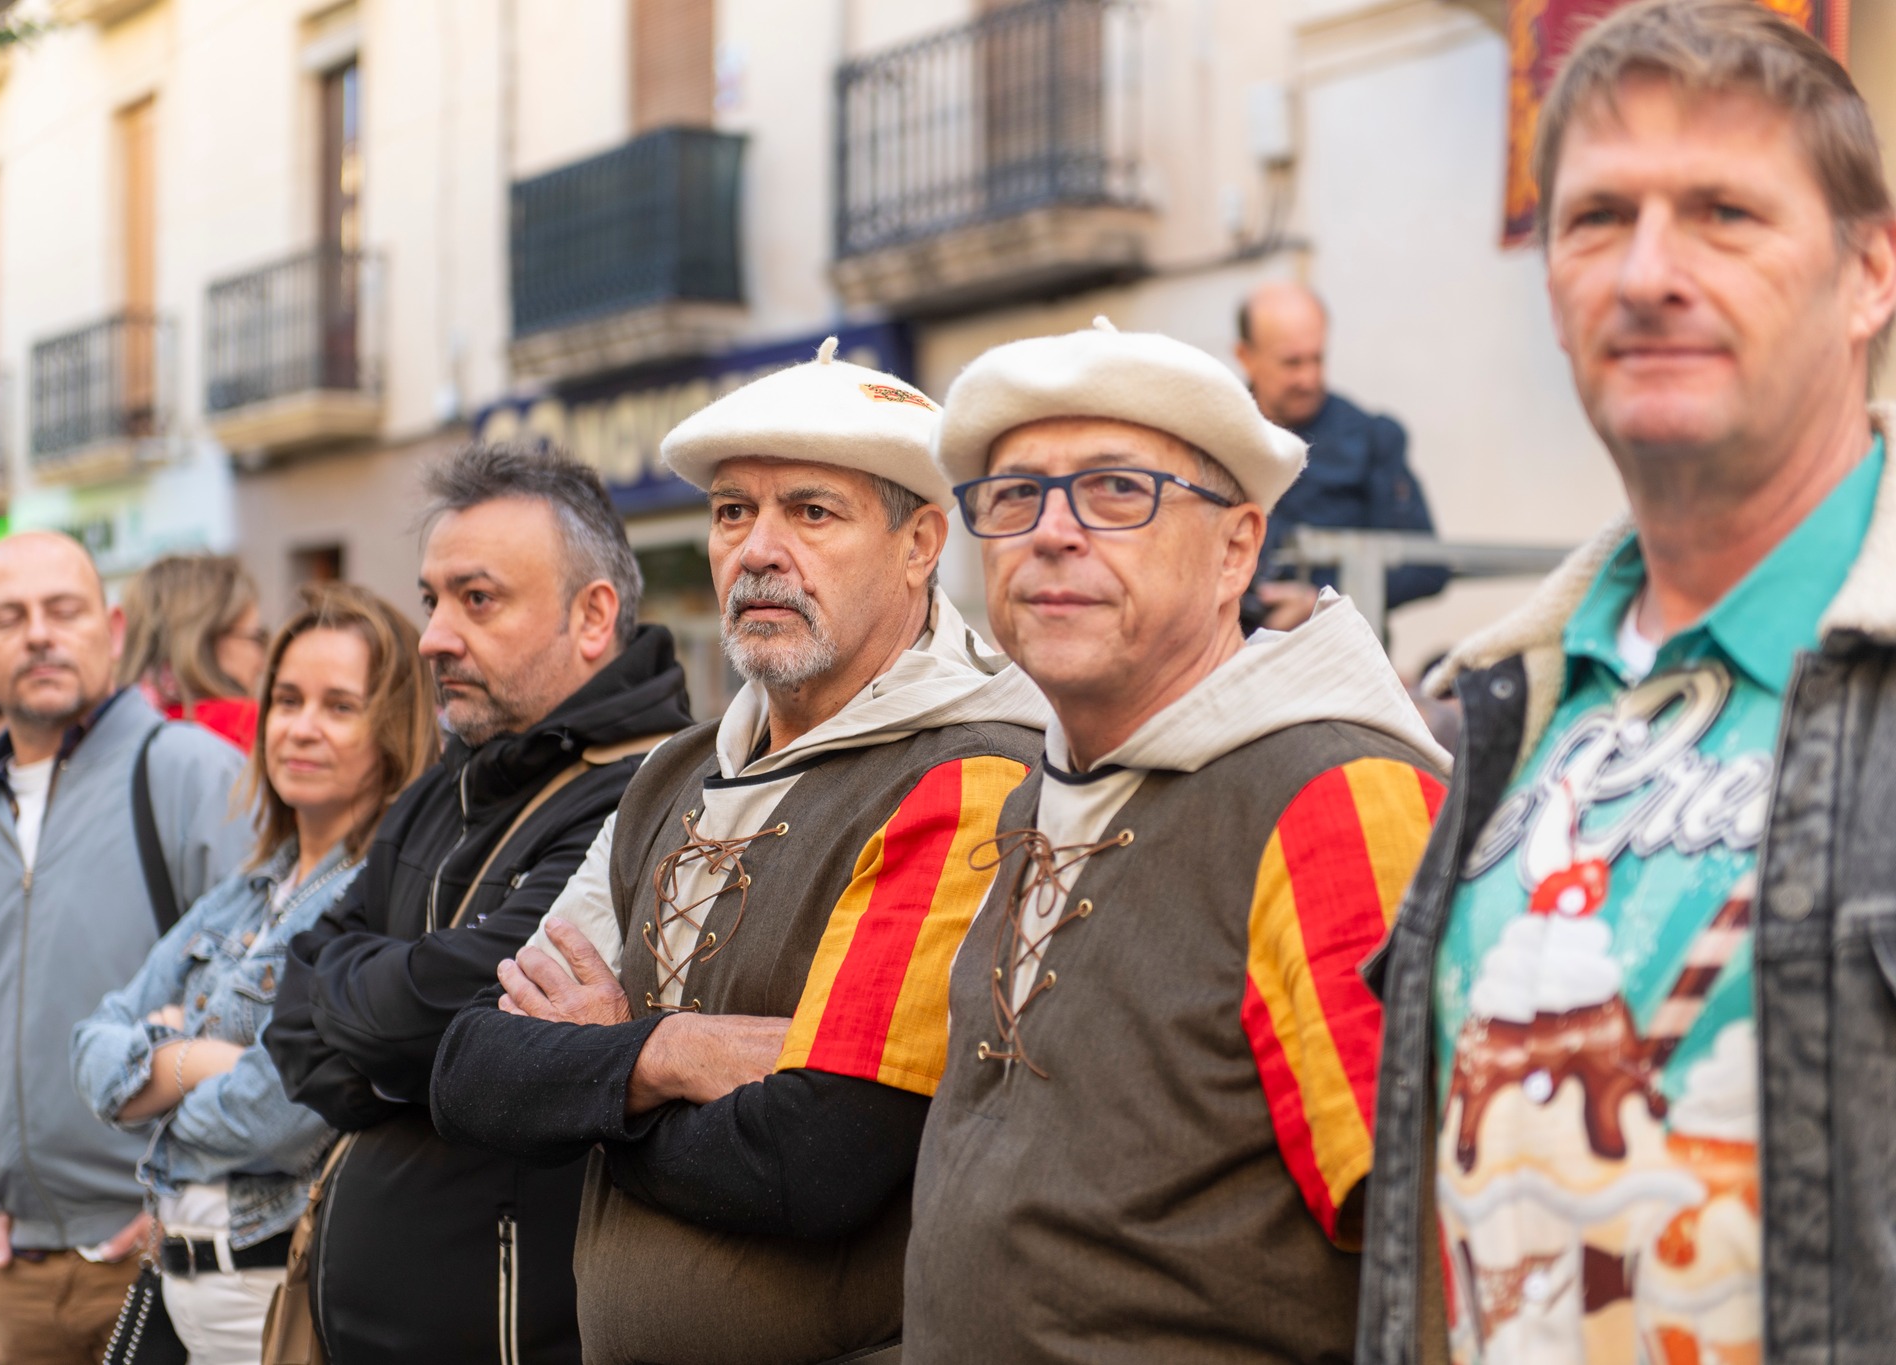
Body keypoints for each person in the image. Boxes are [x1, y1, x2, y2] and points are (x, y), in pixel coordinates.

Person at [1358, 5, 1896, 1364]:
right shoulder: (1496, 707)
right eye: (1598, 217)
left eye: (1725, 212)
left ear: (1870, 272)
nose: (1651, 272)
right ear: (1550, 283)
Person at [429, 338, 1051, 1365]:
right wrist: (673, 1054)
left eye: (811, 512)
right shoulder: (673, 774)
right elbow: (472, 1070)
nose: (759, 549)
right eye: (732, 513)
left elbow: (810, 1161)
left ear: (919, 543)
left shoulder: (966, 773)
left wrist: (598, 1071)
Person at [902, 318, 1450, 1362]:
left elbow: (1428, 1252)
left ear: (1237, 547)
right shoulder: (1043, 785)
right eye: (1012, 496)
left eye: (1117, 490)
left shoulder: (1337, 795)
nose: (1050, 532)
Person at [265, 445, 692, 1365]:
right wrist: (407, 1062)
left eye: (478, 598)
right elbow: (295, 1008)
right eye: (431, 599)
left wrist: (388, 1031)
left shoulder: (648, 792)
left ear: (593, 615)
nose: (434, 636)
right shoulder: (442, 786)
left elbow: (481, 1021)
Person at [74, 583, 436, 1365]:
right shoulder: (242, 892)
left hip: (284, 1292)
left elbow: (279, 1111)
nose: (301, 728)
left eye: (339, 706)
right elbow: (90, 1044)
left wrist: (167, 1061)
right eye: (287, 699)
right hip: (188, 1297)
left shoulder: (375, 900)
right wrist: (207, 1064)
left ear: (394, 730)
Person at [0, 531, 255, 1365]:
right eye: (9, 617)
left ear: (111, 631)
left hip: (163, 1258)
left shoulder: (192, 773)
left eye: (62, 610)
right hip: (17, 1271)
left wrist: (187, 1193)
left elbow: (269, 1001)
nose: (39, 633)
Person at [1235, 280, 1448, 628]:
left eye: (1318, 358)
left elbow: (1426, 568)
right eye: (1292, 363)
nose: (1310, 377)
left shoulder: (1372, 440)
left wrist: (1319, 601)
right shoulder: (1214, 438)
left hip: (1336, 660)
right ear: (1246, 356)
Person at [117, 554, 267, 751]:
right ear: (204, 641)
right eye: (256, 637)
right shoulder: (246, 725)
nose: (262, 662)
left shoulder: (114, 728)